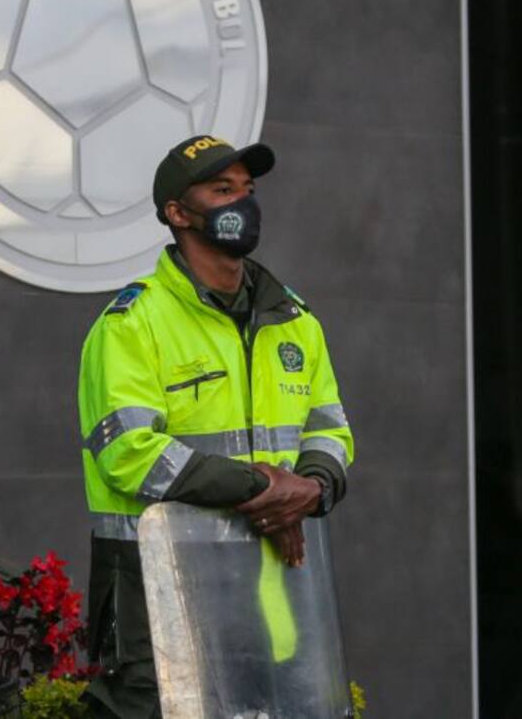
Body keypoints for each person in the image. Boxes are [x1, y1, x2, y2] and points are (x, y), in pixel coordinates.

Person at [76, 136, 354, 718]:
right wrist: (263, 489)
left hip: (275, 600)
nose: (242, 204)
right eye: (222, 190)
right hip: (160, 599)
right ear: (177, 213)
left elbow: (329, 428)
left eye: (247, 191)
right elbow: (130, 453)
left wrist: (316, 484)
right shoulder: (132, 324)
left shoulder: (296, 321)